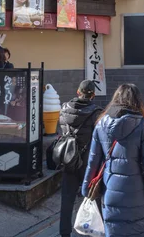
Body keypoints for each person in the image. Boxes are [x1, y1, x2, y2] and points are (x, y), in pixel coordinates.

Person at [81, 84, 144, 237]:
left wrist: (86, 188)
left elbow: (93, 161)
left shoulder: (101, 124)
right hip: (138, 194)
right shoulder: (141, 125)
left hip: (110, 190)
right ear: (138, 101)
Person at [58, 80, 105, 237]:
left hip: (69, 158)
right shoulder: (96, 112)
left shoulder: (64, 108)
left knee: (67, 199)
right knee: (93, 198)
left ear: (78, 92)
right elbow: (100, 138)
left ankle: (64, 233)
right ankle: (94, 231)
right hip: (89, 162)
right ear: (93, 95)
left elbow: (63, 130)